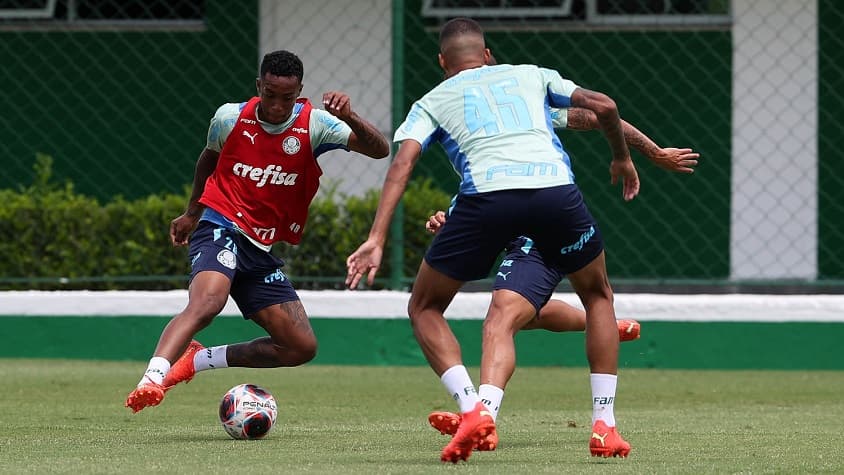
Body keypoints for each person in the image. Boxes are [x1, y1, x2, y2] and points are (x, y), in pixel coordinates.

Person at [346, 17, 638, 462]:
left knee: (424, 306)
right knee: (598, 295)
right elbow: (605, 107)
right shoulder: (532, 76)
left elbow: (401, 165)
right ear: (486, 55)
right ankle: (605, 427)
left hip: (486, 202)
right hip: (554, 194)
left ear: (442, 62)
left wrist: (376, 237)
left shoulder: (432, 100)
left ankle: (471, 409)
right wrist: (622, 158)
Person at [124, 50, 390, 413]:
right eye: (270, 94)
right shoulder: (229, 118)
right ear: (258, 86)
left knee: (299, 347)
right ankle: (152, 379)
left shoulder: (317, 125)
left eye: (288, 97)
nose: (278, 106)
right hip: (219, 224)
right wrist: (192, 213)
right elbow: (210, 158)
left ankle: (197, 360)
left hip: (260, 245)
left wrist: (351, 117)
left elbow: (380, 150)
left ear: (300, 92)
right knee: (207, 303)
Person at [424, 105, 699, 447]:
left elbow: (599, 115)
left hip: (541, 223)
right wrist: (449, 220)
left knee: (501, 318)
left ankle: (484, 416)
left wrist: (653, 151)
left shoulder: (517, 102)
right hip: (525, 218)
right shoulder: (467, 117)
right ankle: (604, 330)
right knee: (529, 315)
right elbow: (477, 188)